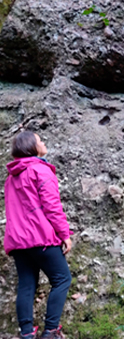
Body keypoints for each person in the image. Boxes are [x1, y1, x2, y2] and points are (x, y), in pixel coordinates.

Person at [4, 131, 73, 339]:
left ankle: (26, 333)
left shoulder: (11, 178)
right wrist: (65, 234)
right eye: (40, 141)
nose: (43, 143)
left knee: (26, 284)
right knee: (62, 279)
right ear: (31, 148)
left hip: (17, 241)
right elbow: (52, 206)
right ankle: (50, 331)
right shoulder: (40, 170)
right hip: (40, 237)